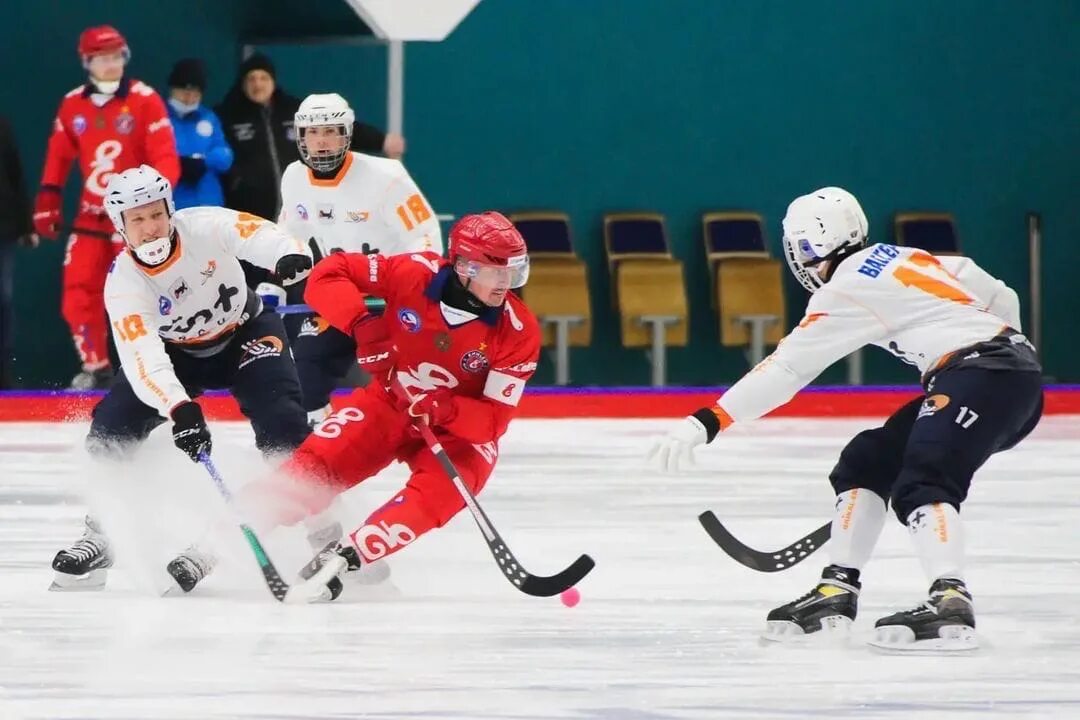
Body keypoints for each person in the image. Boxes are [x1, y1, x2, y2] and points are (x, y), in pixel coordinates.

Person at [648, 187, 1043, 652]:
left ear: (805, 247)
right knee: (867, 461)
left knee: (925, 479)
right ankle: (837, 588)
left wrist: (706, 421)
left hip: (978, 376)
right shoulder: (910, 256)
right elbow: (1002, 295)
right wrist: (1006, 371)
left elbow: (787, 369)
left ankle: (949, 597)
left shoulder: (847, 288)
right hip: (1002, 377)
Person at [176, 211, 541, 596]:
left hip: (460, 435)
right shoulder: (411, 273)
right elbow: (327, 274)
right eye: (494, 272)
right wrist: (363, 326)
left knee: (436, 497)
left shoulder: (518, 331)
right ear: (464, 267)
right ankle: (214, 544)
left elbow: (492, 423)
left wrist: (443, 409)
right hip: (390, 402)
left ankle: (348, 557)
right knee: (312, 468)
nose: (505, 284)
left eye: (513, 273)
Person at [49, 165, 313, 592]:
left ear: (171, 211)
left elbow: (251, 233)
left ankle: (316, 524)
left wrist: (285, 253)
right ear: (121, 227)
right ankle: (103, 534)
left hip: (246, 334)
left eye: (156, 215)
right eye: (137, 220)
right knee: (109, 430)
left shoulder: (203, 225)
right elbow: (143, 356)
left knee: (283, 426)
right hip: (178, 356)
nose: (150, 228)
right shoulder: (124, 284)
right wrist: (179, 407)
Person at [279, 92, 442, 426]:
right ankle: (315, 433)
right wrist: (284, 265)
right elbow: (287, 234)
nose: (321, 142)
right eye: (312, 133)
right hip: (341, 300)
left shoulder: (386, 177)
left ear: (347, 134)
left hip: (392, 299)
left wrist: (412, 287)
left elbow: (425, 235)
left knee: (413, 379)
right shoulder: (293, 177)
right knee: (303, 374)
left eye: (330, 132)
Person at [33, 25, 180, 389]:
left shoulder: (145, 100)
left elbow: (165, 160)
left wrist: (148, 209)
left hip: (133, 219)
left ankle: (155, 367)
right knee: (78, 291)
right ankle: (96, 368)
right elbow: (58, 156)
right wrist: (48, 200)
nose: (111, 65)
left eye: (117, 57)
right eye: (103, 59)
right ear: (88, 62)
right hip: (91, 217)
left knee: (145, 293)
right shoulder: (73, 105)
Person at [215, 53, 403, 223]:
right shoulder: (228, 115)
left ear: (273, 80)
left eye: (263, 78)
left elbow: (336, 128)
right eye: (251, 79)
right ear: (243, 83)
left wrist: (381, 140)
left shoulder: (295, 110)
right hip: (249, 211)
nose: (258, 84)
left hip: (299, 205)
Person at [165, 58, 234, 210]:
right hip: (172, 204)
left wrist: (203, 162)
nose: (189, 98)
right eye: (185, 91)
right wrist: (178, 164)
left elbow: (226, 156)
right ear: (173, 89)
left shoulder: (208, 117)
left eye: (195, 92)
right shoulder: (159, 117)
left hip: (208, 203)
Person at [0, 115, 38, 388]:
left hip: (3, 227)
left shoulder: (2, 123)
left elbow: (14, 172)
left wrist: (27, 225)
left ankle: (2, 372)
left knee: (2, 300)